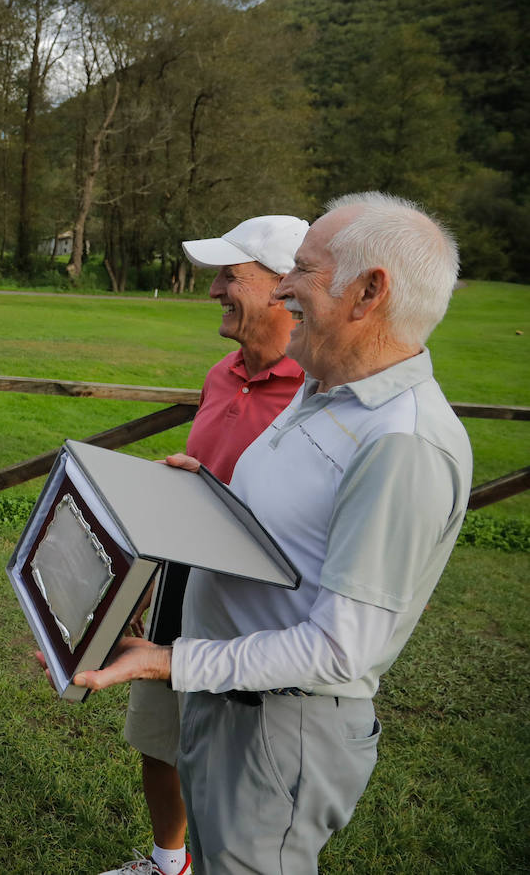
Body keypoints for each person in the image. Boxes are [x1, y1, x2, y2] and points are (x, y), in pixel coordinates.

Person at [77, 193, 472, 875]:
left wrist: (173, 663)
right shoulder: (321, 388)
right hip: (229, 698)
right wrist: (204, 495)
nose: (284, 288)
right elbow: (282, 535)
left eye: (305, 270)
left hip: (278, 726)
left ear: (367, 292)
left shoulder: (402, 443)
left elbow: (341, 649)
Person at [98, 215, 308, 875]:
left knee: (233, 765)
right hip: (182, 585)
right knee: (160, 738)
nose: (216, 291)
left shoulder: (320, 396)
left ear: (287, 290)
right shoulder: (225, 373)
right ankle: (169, 863)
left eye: (231, 277)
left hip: (252, 617)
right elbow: (212, 483)